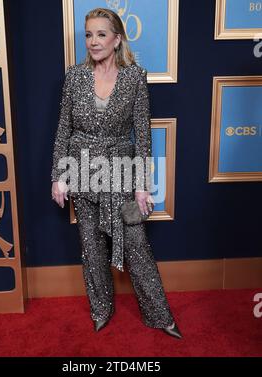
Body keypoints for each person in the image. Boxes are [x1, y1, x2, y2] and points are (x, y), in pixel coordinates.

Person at [51, 8, 182, 339]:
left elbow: (142, 132)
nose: (93, 42)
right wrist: (59, 175)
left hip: (121, 172)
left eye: (101, 34)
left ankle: (159, 316)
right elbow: (64, 127)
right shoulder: (74, 76)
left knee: (136, 244)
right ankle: (101, 309)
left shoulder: (134, 77)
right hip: (81, 170)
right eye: (88, 35)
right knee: (91, 246)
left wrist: (141, 187)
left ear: (116, 39)